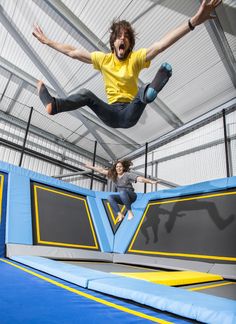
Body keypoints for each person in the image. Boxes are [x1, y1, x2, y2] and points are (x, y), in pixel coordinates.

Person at [33, 0, 221, 129]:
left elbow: (162, 44)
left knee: (140, 94)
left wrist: (194, 21)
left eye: (127, 37)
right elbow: (73, 52)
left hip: (130, 112)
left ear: (129, 44)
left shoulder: (136, 58)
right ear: (113, 42)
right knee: (86, 94)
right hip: (111, 113)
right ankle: (54, 105)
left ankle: (148, 93)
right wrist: (48, 41)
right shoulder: (103, 59)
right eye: (119, 36)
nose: (123, 39)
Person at [85, 160, 158, 221]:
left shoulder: (127, 175)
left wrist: (151, 182)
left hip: (131, 196)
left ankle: (130, 212)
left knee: (122, 192)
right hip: (123, 198)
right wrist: (90, 166)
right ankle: (120, 214)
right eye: (117, 167)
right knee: (110, 197)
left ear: (123, 168)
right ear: (115, 168)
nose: (118, 168)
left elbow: (140, 179)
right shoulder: (113, 175)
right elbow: (101, 170)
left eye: (120, 167)